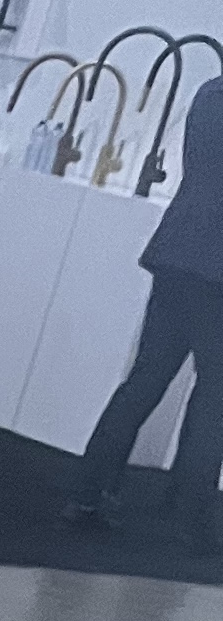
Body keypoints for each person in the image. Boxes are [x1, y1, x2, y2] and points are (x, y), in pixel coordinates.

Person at [65, 75, 223, 552]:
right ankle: (188, 515)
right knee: (215, 395)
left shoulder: (210, 92)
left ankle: (90, 491)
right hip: (217, 270)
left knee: (146, 378)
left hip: (177, 251)